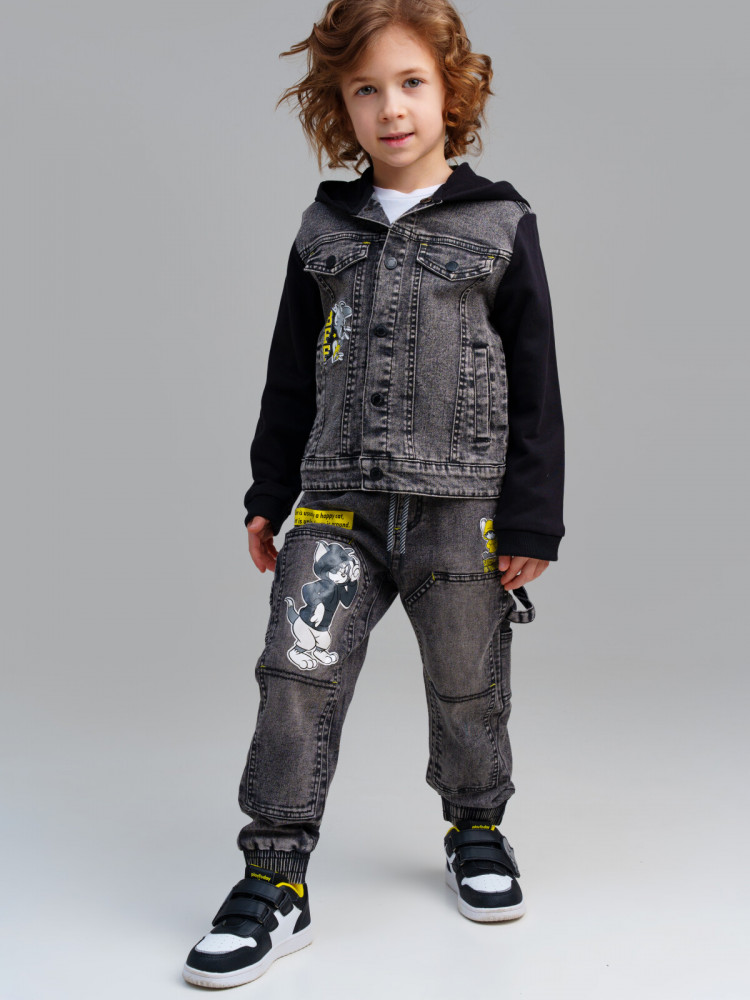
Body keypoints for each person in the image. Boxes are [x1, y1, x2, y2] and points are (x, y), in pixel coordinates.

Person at [183, 0, 565, 988]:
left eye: (411, 83)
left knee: (468, 683)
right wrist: (268, 489)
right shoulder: (324, 229)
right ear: (339, 106)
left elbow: (537, 381)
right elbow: (289, 373)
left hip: (461, 510)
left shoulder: (500, 223)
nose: (391, 107)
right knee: (294, 676)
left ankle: (475, 827)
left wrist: (532, 516)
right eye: (365, 89)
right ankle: (275, 878)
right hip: (336, 506)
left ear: (452, 92)